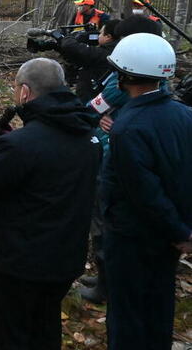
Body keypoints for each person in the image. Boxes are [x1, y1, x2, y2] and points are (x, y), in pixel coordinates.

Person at [0, 58, 97, 350]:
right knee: (45, 327)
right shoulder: (86, 135)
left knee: (11, 334)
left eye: (16, 87)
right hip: (66, 259)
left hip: (21, 263)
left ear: (25, 92)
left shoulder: (22, 146)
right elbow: (49, 164)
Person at [101, 33, 192, 350]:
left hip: (132, 239)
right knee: (158, 311)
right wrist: (182, 230)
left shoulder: (128, 129)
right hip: (167, 238)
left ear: (125, 75)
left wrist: (181, 232)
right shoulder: (185, 115)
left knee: (127, 319)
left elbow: (144, 193)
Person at [78, 15, 163, 305]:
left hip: (112, 153)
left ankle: (107, 283)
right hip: (120, 147)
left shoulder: (124, 77)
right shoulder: (155, 75)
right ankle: (106, 274)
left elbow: (95, 106)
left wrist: (94, 114)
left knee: (104, 216)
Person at [57, 17, 119, 103]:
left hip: (91, 100)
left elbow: (71, 46)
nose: (98, 35)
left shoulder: (103, 53)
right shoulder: (118, 50)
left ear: (108, 37)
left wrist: (69, 37)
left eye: (100, 33)